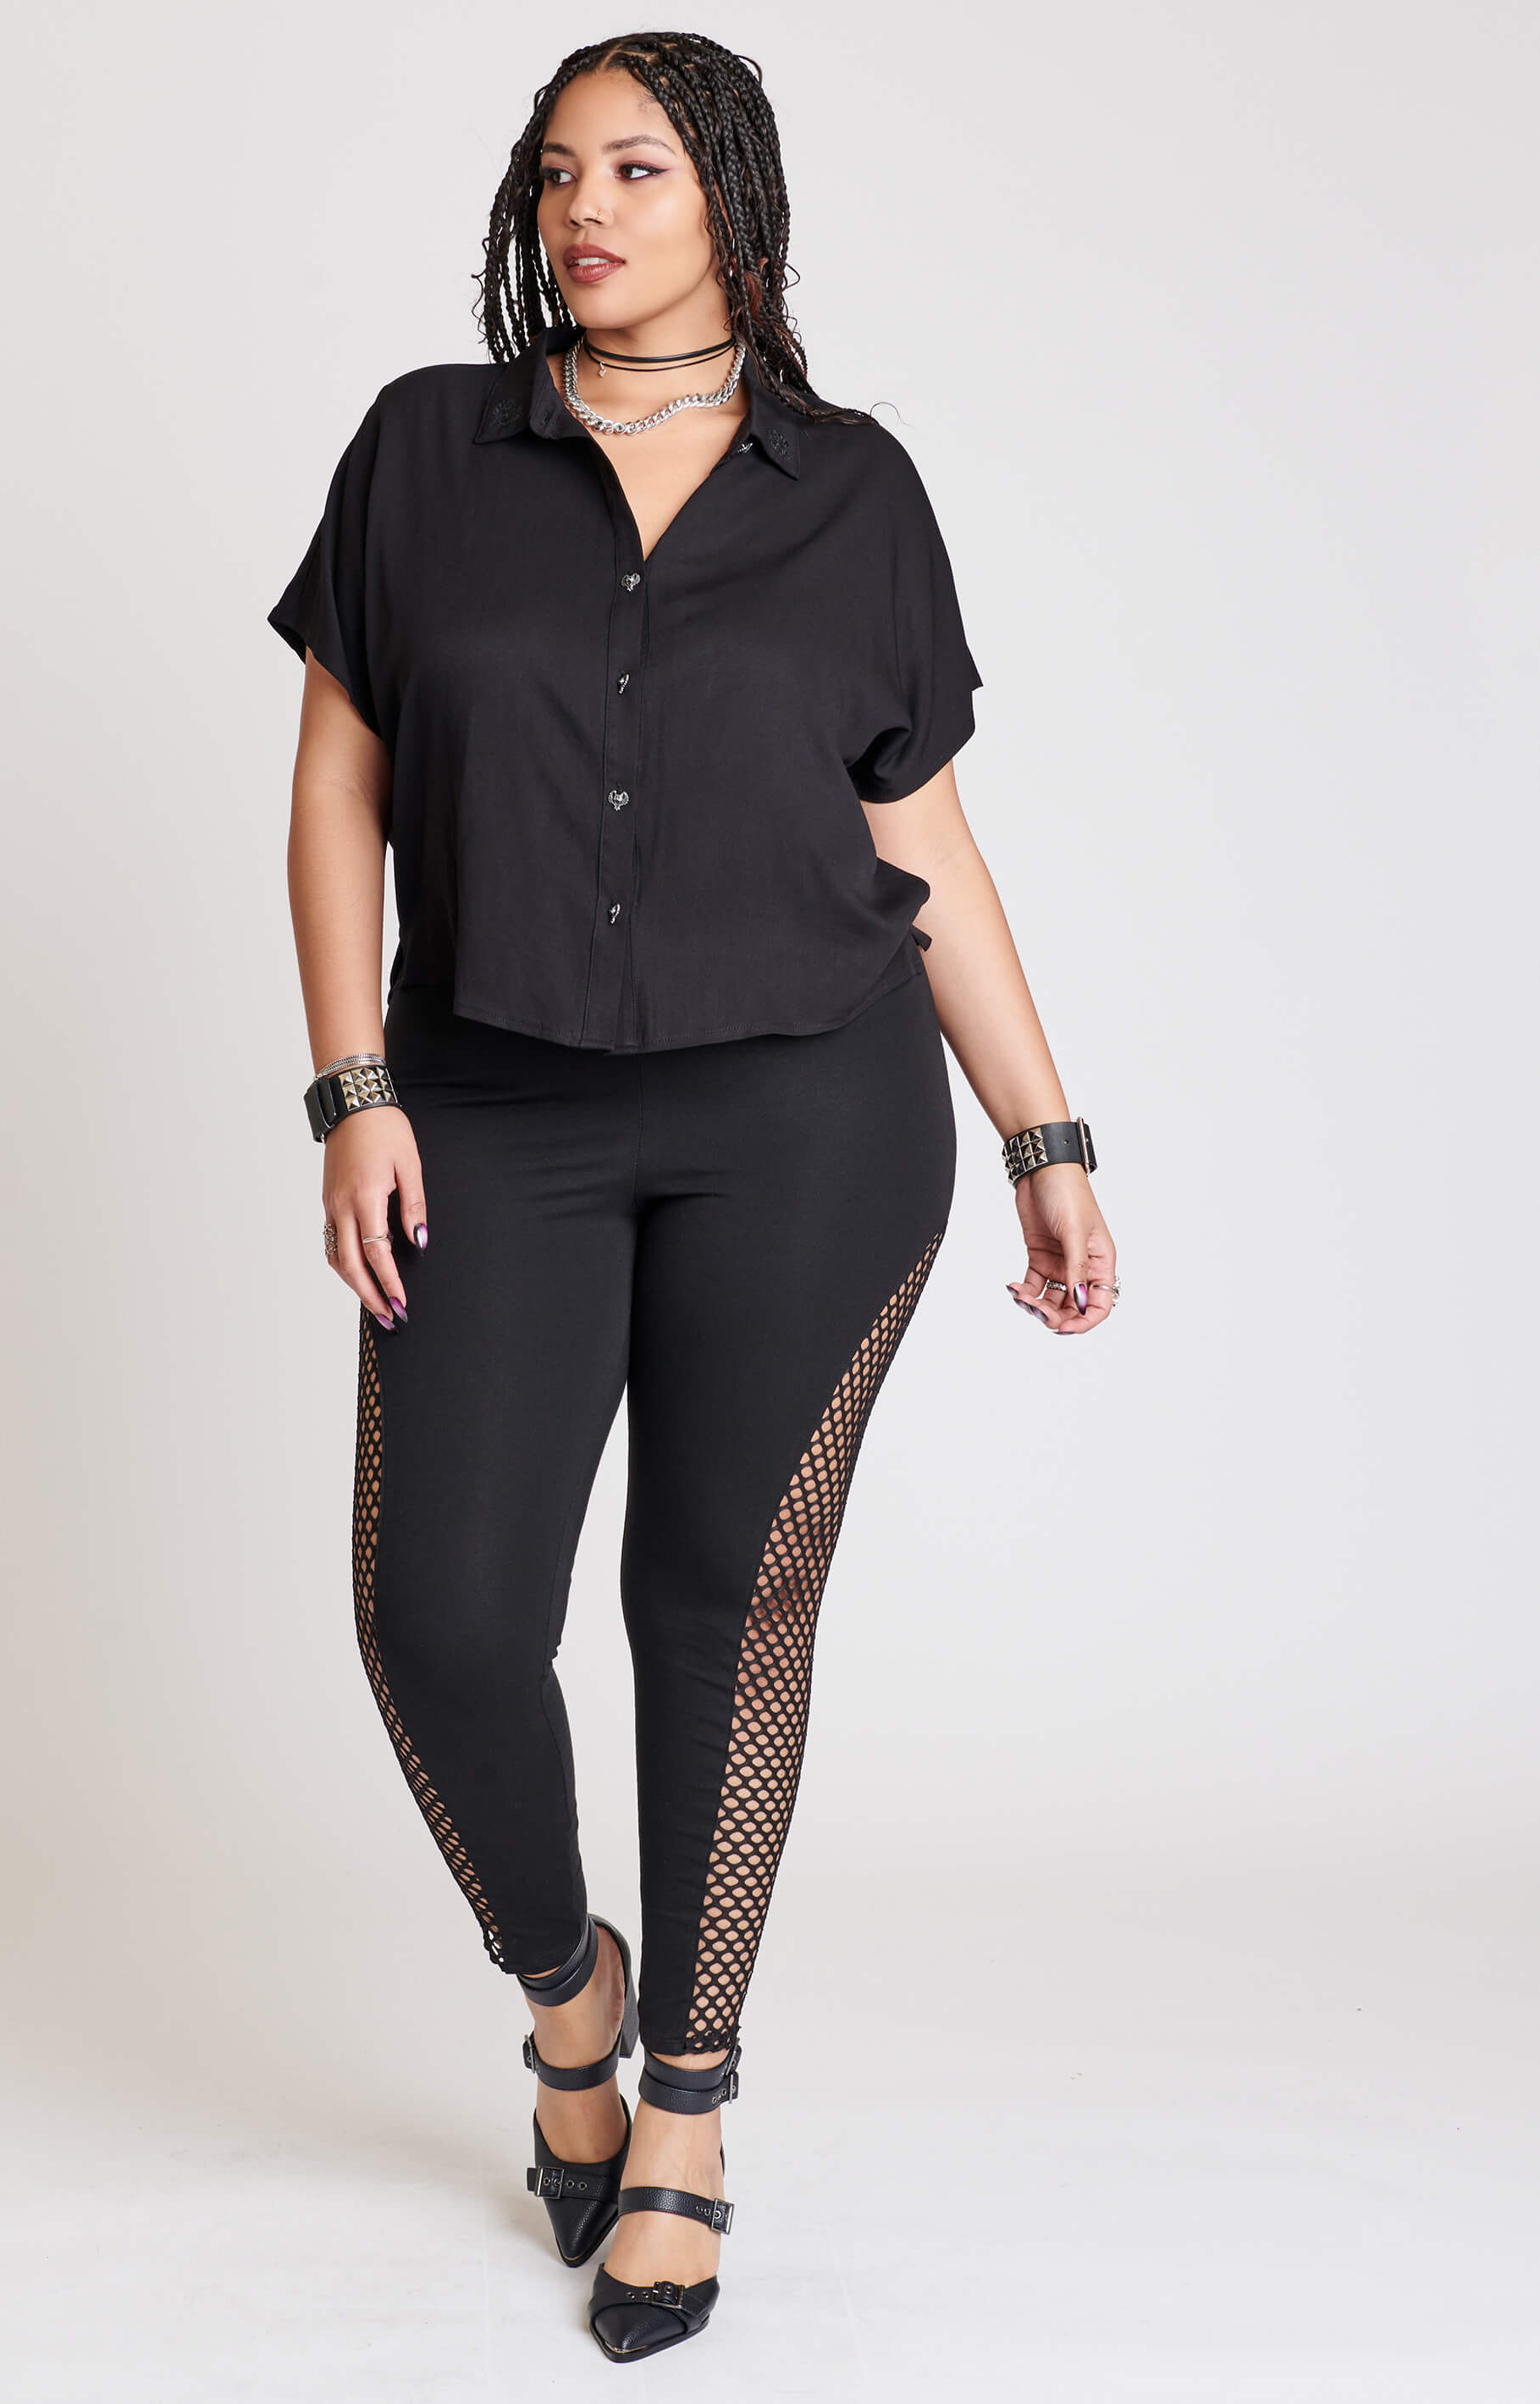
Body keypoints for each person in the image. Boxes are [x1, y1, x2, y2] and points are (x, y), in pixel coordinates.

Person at [269, 28, 1118, 2365]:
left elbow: (918, 840)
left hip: (808, 1122)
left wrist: (1046, 1138)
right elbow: (336, 787)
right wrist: (350, 1085)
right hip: (488, 1111)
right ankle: (572, 1992)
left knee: (717, 1608)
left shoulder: (855, 492)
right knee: (439, 1617)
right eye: (557, 171)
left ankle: (688, 2110)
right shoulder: (427, 453)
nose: (586, 209)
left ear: (732, 195)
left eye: (636, 167)